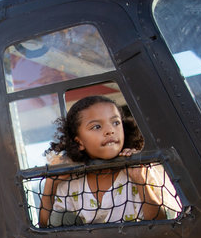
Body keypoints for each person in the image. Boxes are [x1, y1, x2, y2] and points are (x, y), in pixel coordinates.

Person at [38, 95, 179, 227]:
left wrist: (140, 179)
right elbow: (47, 227)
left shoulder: (140, 168)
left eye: (116, 122)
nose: (110, 130)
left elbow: (162, 223)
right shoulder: (70, 183)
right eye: (97, 127)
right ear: (79, 142)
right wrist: (51, 182)